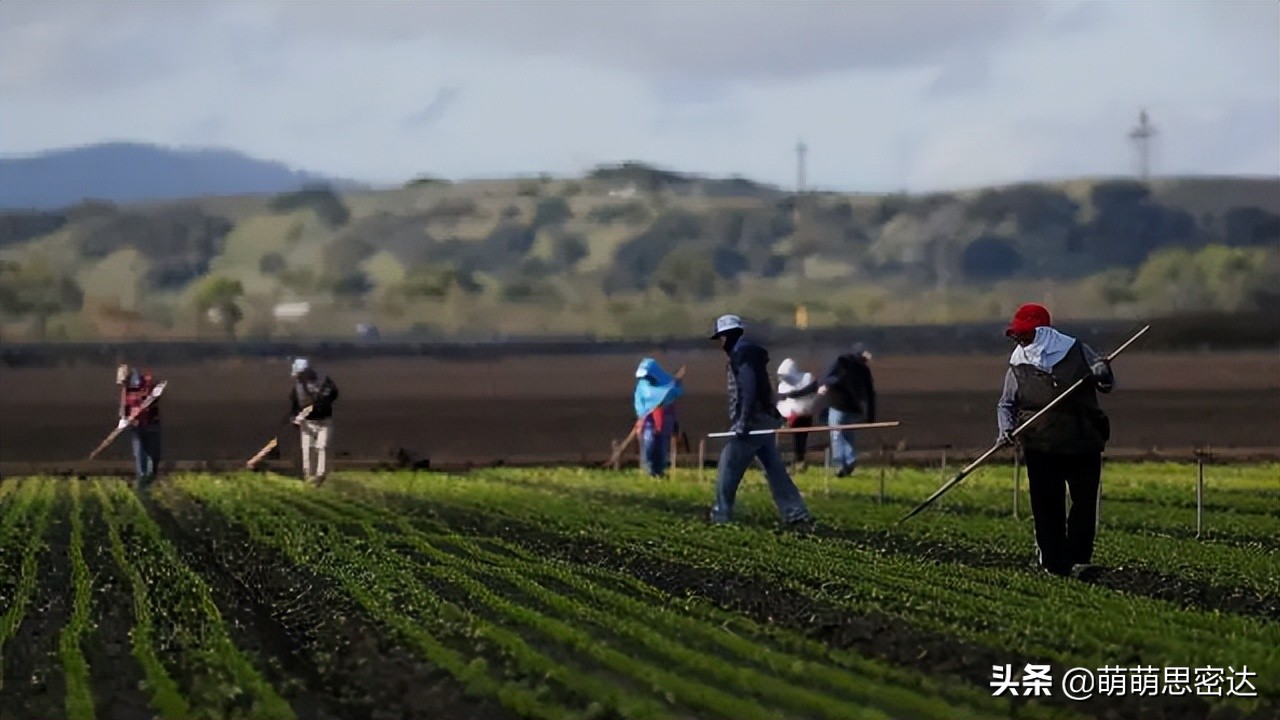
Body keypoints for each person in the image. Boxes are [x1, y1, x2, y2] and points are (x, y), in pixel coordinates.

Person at [997, 303, 1114, 578]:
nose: (1021, 340)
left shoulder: (1077, 351)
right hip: (1040, 444)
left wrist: (1102, 372)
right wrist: (1005, 430)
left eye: (1026, 335)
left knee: (1084, 503)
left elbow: (1105, 385)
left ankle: (1078, 559)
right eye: (1018, 336)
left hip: (1082, 439)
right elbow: (1006, 404)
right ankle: (1053, 563)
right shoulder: (1017, 365)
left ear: (1043, 332)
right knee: (1046, 504)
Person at [707, 315, 814, 528]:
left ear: (728, 336)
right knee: (774, 468)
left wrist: (743, 422)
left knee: (729, 465)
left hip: (753, 422)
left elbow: (748, 389)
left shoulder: (742, 355)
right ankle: (796, 513)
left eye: (721, 337)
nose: (721, 343)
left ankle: (721, 515)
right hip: (764, 420)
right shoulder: (750, 354)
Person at [818, 343, 876, 477]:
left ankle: (840, 464)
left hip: (838, 406)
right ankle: (849, 460)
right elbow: (870, 394)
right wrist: (871, 416)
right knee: (848, 435)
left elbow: (829, 377)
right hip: (854, 409)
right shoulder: (864, 369)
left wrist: (824, 384)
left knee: (837, 434)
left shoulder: (843, 362)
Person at [287, 357, 340, 486]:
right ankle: (309, 476)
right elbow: (294, 407)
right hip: (306, 423)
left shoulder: (324, 383)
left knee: (321, 447)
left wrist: (320, 402)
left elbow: (333, 393)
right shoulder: (297, 390)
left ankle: (320, 475)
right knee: (308, 449)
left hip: (323, 422)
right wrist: (295, 418)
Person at [633, 357, 684, 477]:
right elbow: (642, 407)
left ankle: (658, 473)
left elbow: (671, 407)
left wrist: (674, 429)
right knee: (649, 449)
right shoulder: (643, 387)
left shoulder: (666, 388)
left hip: (663, 427)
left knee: (660, 451)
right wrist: (641, 421)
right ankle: (650, 473)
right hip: (649, 427)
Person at [116, 364, 162, 492]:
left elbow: (155, 394)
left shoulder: (149, 374)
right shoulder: (125, 371)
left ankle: (149, 479)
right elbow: (124, 394)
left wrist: (142, 407)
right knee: (140, 453)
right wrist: (124, 416)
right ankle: (142, 483)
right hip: (136, 423)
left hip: (151, 421)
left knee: (153, 455)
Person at [775, 358, 819, 467]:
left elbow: (811, 390)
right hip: (790, 413)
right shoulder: (783, 385)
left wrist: (794, 394)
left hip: (804, 413)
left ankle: (800, 460)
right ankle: (794, 460)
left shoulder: (806, 378)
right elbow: (781, 398)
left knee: (800, 438)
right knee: (792, 437)